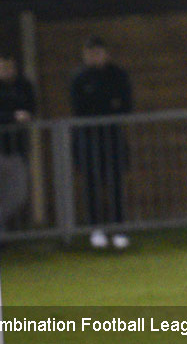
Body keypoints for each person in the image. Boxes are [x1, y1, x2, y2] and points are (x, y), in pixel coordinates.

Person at [70, 36, 133, 250]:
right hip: (88, 140)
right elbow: (80, 108)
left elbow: (125, 104)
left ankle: (119, 229)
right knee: (92, 185)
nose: (94, 57)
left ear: (105, 53)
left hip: (113, 138)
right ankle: (96, 229)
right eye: (90, 53)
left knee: (116, 183)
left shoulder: (117, 75)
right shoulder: (79, 77)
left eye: (98, 52)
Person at [0, 53, 35, 230]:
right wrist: (12, 117)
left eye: (10, 67)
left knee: (19, 194)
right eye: (3, 68)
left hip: (17, 150)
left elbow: (32, 109)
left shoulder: (24, 86)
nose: (7, 71)